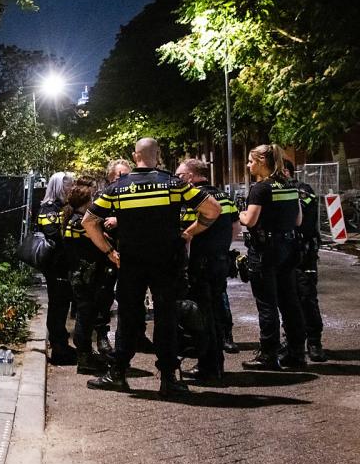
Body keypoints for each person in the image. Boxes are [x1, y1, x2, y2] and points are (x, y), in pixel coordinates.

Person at [82, 138, 221, 398]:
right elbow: (213, 209)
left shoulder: (118, 188)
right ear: (157, 155)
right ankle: (169, 378)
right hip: (166, 261)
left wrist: (109, 251)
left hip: (131, 262)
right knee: (166, 317)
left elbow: (89, 222)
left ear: (135, 156)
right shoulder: (174, 184)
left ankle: (118, 373)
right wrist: (189, 233)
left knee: (128, 316)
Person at [239, 145, 306, 370]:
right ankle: (297, 352)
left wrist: (240, 214)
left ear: (261, 162)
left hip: (265, 251)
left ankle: (268, 354)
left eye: (251, 161)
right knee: (290, 301)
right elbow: (298, 220)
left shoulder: (260, 189)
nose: (248, 165)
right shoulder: (290, 185)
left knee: (267, 303)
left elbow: (250, 220)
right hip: (289, 248)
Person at [175, 159, 240, 383]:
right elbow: (235, 227)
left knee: (202, 316)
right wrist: (220, 249)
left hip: (200, 264)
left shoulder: (193, 200)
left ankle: (209, 366)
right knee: (216, 310)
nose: (177, 179)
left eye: (180, 175)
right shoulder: (224, 197)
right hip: (220, 261)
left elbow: (186, 235)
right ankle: (216, 363)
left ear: (190, 176)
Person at [61, 176, 112, 374]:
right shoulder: (81, 223)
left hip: (80, 274)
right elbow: (101, 240)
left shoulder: (72, 219)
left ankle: (86, 354)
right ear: (85, 202)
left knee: (86, 314)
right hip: (86, 275)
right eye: (91, 199)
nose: (94, 202)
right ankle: (84, 357)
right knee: (86, 316)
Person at [285, 160, 327, 362]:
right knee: (287, 300)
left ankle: (314, 342)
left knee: (306, 297)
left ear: (286, 171)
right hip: (284, 253)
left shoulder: (303, 190)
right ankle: (293, 343)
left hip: (303, 254)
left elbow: (297, 216)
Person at [92, 159, 133, 357]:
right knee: (104, 295)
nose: (124, 179)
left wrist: (120, 219)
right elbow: (91, 222)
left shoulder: (134, 194)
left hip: (131, 252)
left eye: (127, 175)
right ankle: (102, 336)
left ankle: (136, 335)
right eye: (120, 175)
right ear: (110, 177)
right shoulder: (103, 196)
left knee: (132, 297)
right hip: (108, 254)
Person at [39, 171, 77, 364]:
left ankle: (61, 343)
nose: (72, 188)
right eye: (69, 185)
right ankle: (58, 348)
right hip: (55, 264)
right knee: (58, 305)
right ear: (60, 186)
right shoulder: (49, 208)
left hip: (62, 263)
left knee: (62, 305)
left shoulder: (61, 206)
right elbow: (53, 235)